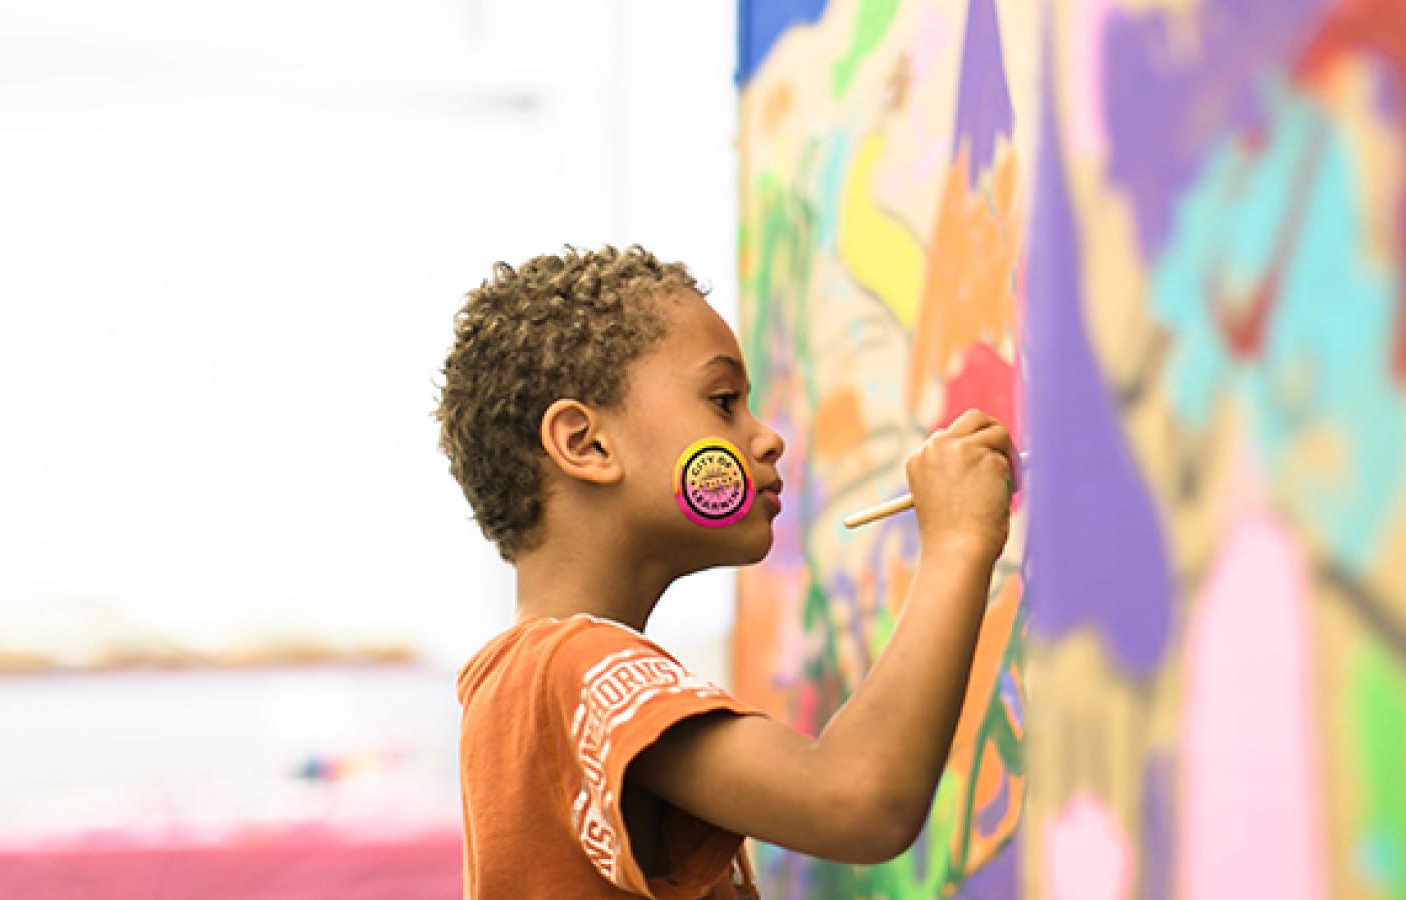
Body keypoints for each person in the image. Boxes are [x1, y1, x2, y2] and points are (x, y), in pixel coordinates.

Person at [435, 245, 1015, 898]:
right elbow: (858, 800)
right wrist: (958, 545)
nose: (766, 437)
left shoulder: (511, 680)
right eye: (722, 401)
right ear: (586, 444)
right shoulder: (579, 666)